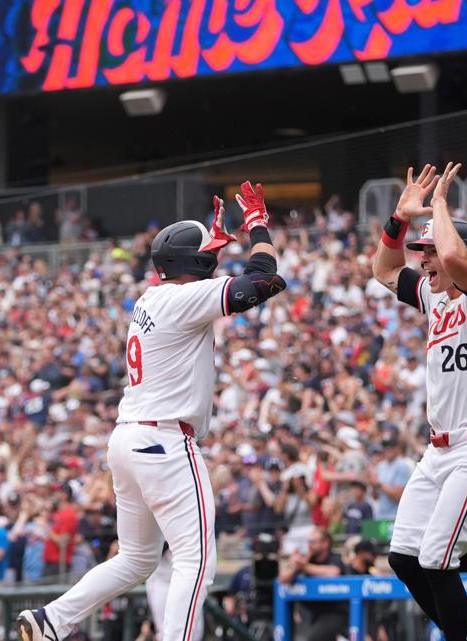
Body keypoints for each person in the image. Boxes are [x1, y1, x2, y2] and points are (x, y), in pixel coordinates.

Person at [17, 183, 287, 641]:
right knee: (196, 559)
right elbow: (264, 281)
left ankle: (52, 620)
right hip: (165, 441)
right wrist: (257, 225)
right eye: (206, 253)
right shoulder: (184, 300)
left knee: (136, 559)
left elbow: (203, 277)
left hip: (128, 440)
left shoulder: (153, 298)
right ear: (196, 263)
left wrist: (213, 247)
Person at [372, 164, 467, 641]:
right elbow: (384, 269)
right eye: (422, 252)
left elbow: (456, 259)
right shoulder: (436, 300)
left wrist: (438, 207)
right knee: (402, 557)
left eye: (428, 252)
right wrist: (399, 218)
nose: (423, 260)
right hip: (438, 451)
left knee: (436, 557)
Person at [278, 527, 345, 641]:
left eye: (313, 542)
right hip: (311, 614)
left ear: (325, 543)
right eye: (308, 542)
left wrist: (304, 566)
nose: (309, 545)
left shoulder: (334, 558)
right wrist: (294, 564)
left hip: (335, 612)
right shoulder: (307, 559)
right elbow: (283, 579)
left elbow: (334, 572)